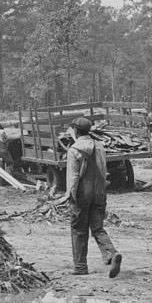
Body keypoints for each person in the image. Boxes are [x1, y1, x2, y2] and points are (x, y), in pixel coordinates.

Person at [55, 117, 122, 277]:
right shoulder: (99, 147)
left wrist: (70, 196)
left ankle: (80, 267)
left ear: (76, 131)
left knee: (78, 230)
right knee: (97, 228)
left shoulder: (74, 150)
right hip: (99, 192)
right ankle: (112, 254)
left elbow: (73, 177)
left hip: (82, 194)